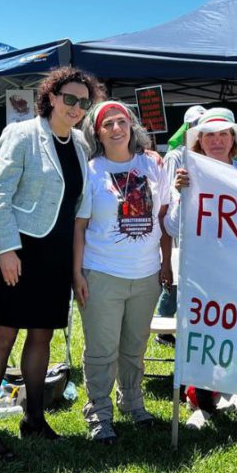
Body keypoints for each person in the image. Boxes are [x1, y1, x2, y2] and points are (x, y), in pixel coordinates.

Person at [0, 67, 101, 460]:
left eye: (84, 102)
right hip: (21, 251)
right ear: (51, 96)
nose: (76, 107)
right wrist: (7, 250)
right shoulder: (23, 133)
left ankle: (33, 418)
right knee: (4, 335)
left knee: (42, 335)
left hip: (57, 253)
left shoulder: (80, 144)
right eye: (70, 99)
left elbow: (79, 205)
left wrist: (75, 266)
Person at [169, 107, 237, 439]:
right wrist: (180, 196)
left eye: (223, 134)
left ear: (233, 140)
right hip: (203, 273)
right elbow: (172, 227)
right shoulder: (187, 174)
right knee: (204, 336)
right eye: (209, 135)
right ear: (199, 141)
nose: (216, 140)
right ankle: (204, 405)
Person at [72, 101, 172, 444]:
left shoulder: (153, 165)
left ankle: (132, 402)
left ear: (132, 125)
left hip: (146, 275)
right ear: (97, 133)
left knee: (134, 346)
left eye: (122, 121)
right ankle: (99, 412)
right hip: (102, 273)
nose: (117, 128)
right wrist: (77, 274)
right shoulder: (91, 170)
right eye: (108, 124)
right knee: (101, 349)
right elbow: (80, 227)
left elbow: (163, 218)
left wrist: (166, 264)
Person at [153, 105, 207, 342]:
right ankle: (165, 324)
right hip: (179, 225)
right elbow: (170, 194)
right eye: (195, 125)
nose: (199, 130)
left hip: (204, 228)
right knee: (176, 271)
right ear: (188, 128)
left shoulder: (211, 157)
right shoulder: (176, 156)